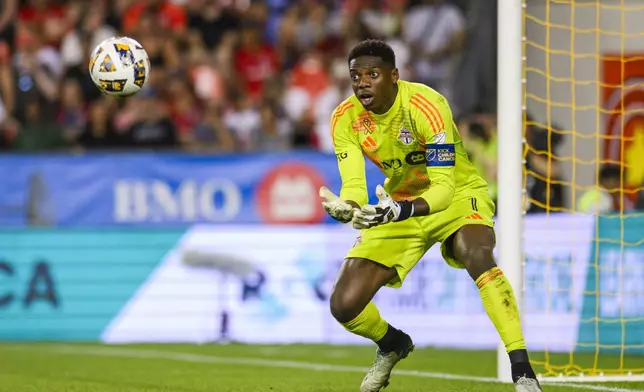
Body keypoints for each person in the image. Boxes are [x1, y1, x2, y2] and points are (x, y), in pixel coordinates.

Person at [319, 39, 541, 392]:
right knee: (343, 305)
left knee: (477, 254)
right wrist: (349, 208)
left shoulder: (426, 105)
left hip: (456, 195)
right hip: (399, 205)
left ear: (394, 76)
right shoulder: (344, 118)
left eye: (372, 74)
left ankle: (523, 370)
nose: (362, 83)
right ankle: (392, 344)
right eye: (355, 76)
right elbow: (355, 186)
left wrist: (400, 209)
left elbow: (442, 188)